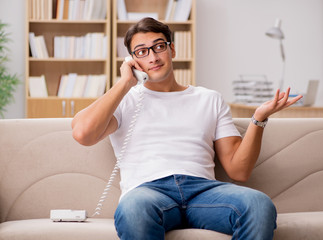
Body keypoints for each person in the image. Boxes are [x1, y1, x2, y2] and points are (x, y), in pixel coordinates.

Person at [72, 17, 302, 240]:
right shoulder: (124, 100)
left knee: (258, 204)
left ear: (172, 50)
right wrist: (124, 83)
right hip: (148, 193)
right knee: (132, 209)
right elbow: (82, 134)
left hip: (203, 192)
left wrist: (259, 118)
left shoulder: (209, 98)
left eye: (159, 47)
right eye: (142, 51)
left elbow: (238, 170)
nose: (152, 56)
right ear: (132, 61)